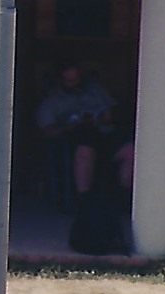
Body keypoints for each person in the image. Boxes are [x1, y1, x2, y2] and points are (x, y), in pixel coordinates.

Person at [36, 64, 116, 198]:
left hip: (106, 134)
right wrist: (74, 124)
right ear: (60, 80)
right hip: (75, 139)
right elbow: (47, 131)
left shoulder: (95, 91)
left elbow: (115, 112)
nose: (75, 83)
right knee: (85, 148)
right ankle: (84, 201)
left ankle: (125, 202)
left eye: (78, 79)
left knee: (130, 150)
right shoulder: (51, 100)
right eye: (70, 80)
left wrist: (105, 116)